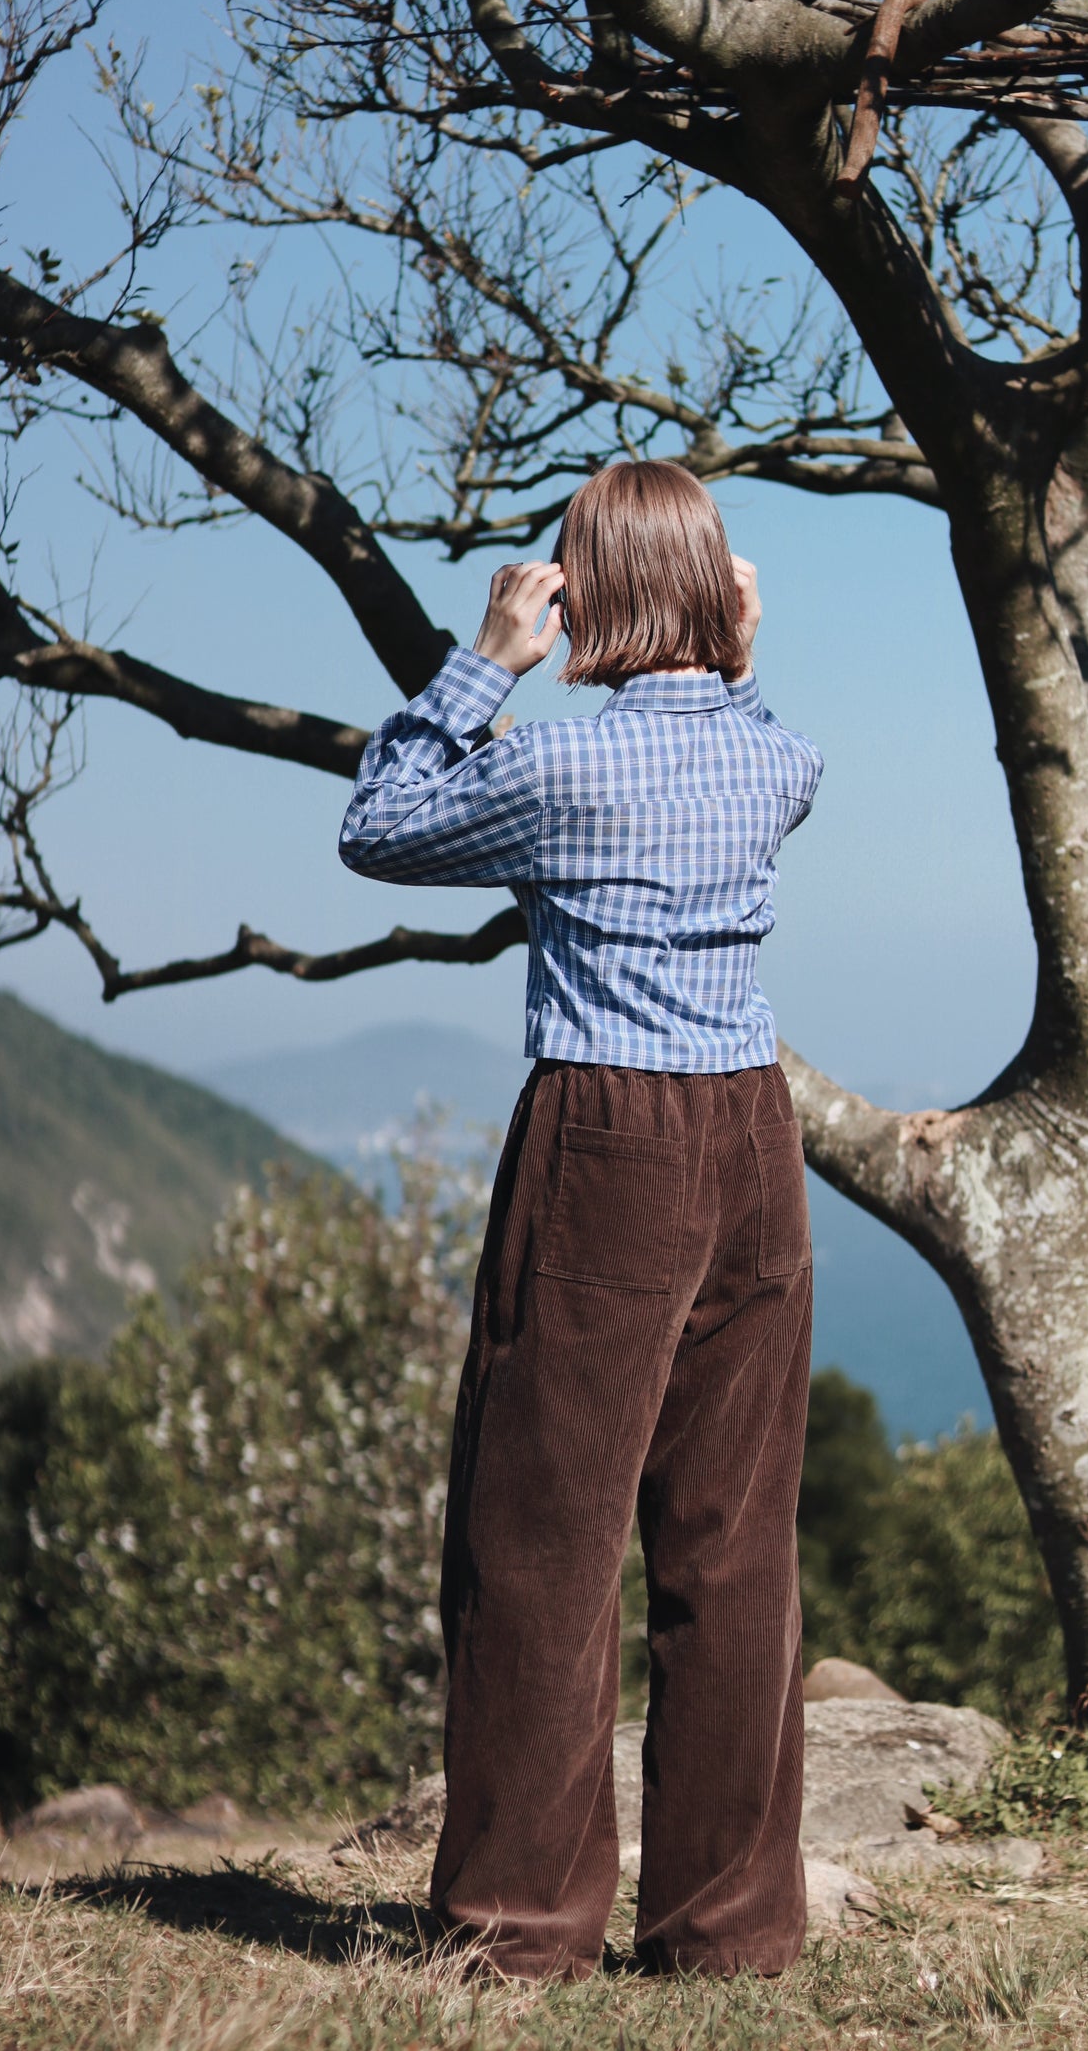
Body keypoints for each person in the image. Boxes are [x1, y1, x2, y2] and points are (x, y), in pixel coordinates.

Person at [339, 459, 823, 1979]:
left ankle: (517, 1930)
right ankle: (727, 1934)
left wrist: (485, 656)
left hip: (607, 1138)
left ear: (584, 590)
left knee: (543, 1541)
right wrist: (735, 648)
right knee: (732, 1546)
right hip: (753, 1137)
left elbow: (378, 825)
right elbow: (743, 723)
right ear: (717, 590)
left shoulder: (555, 770)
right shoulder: (784, 761)